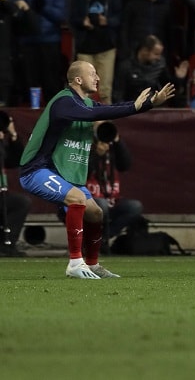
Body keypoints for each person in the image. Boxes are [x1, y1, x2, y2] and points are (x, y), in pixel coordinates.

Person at [18, 61, 175, 279]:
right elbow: (95, 114)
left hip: (59, 172)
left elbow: (103, 111)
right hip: (36, 171)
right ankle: (75, 263)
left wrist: (147, 104)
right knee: (77, 199)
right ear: (78, 80)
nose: (98, 78)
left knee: (96, 213)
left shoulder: (87, 104)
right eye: (92, 73)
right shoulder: (63, 102)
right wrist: (135, 107)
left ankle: (92, 264)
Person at [6, 0, 66, 106]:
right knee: (29, 84)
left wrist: (43, 7)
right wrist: (19, 9)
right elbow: (9, 13)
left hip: (50, 42)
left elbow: (61, 16)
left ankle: (54, 120)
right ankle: (30, 122)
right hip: (27, 43)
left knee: (51, 84)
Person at [77, 120, 145, 249]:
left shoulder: (113, 146)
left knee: (135, 206)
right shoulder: (84, 144)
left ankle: (102, 238)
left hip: (112, 200)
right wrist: (96, 154)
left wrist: (117, 140)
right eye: (99, 125)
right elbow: (83, 172)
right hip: (89, 201)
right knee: (101, 205)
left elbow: (125, 165)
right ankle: (93, 239)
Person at [69, 0, 122, 105]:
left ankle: (106, 125)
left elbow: (119, 17)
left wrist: (108, 21)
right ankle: (85, 125)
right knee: (84, 91)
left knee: (105, 90)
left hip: (107, 46)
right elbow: (72, 17)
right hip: (85, 46)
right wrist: (82, 21)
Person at [114, 35, 188, 106]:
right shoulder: (126, 66)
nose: (159, 58)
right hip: (131, 107)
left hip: (152, 107)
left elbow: (168, 87)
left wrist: (179, 79)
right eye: (156, 54)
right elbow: (118, 94)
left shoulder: (160, 64)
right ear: (145, 51)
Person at [0, 112, 31, 256]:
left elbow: (15, 161)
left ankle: (7, 243)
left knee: (21, 202)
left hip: (2, 192)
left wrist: (13, 136)